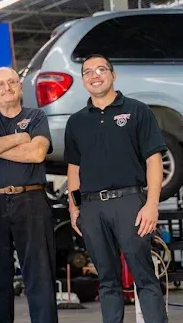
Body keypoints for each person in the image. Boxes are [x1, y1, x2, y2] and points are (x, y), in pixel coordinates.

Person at [65, 54, 167, 323]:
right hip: (91, 207)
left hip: (129, 203)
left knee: (144, 276)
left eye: (101, 69)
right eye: (88, 72)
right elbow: (74, 169)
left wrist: (151, 204)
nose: (94, 75)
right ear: (83, 79)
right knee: (107, 281)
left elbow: (153, 160)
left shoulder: (137, 111)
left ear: (113, 75)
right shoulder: (76, 121)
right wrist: (74, 208)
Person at [0, 67, 57, 323]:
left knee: (40, 275)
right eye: (0, 84)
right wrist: (18, 138)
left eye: (11, 82)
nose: (6, 88)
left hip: (31, 201)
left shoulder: (36, 115)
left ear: (19, 86)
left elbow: (36, 154)